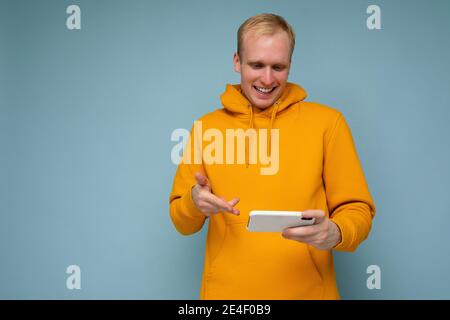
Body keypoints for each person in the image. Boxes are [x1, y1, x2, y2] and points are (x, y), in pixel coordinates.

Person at [169, 13, 376, 299]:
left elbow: (358, 209)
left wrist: (338, 231)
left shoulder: (328, 124)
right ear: (237, 62)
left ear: (290, 66)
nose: (267, 79)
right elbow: (181, 222)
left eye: (278, 67)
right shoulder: (207, 129)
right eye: (256, 65)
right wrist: (194, 202)